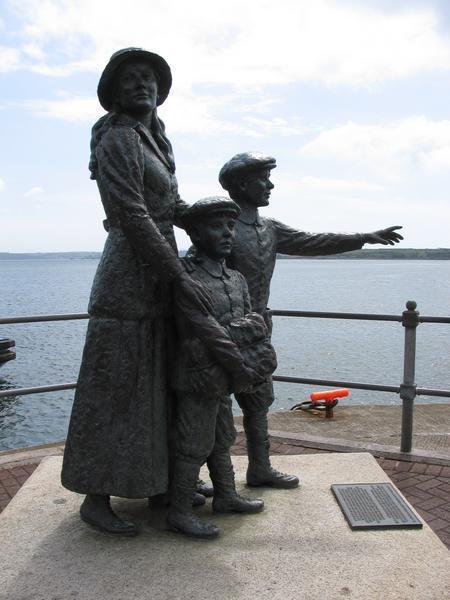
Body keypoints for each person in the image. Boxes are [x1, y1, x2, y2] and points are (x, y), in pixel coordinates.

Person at [61, 48, 217, 536]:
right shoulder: (119, 137)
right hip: (129, 278)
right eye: (130, 78)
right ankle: (95, 496)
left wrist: (219, 217)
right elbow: (132, 214)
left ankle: (158, 482)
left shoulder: (156, 142)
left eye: (148, 77)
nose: (141, 84)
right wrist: (179, 274)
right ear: (114, 91)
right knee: (117, 386)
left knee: (155, 386)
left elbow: (169, 208)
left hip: (158, 273)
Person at [217, 152, 403, 489]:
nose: (270, 184)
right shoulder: (222, 226)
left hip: (257, 330)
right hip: (219, 331)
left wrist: (363, 237)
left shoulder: (268, 228)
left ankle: (260, 468)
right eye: (263, 177)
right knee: (212, 407)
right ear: (242, 184)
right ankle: (207, 479)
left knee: (259, 402)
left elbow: (312, 241)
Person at [167, 197, 277, 539]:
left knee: (223, 437)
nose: (228, 233)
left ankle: (226, 495)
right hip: (199, 377)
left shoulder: (236, 278)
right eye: (217, 226)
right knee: (193, 443)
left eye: (230, 226)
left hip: (224, 375)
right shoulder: (186, 277)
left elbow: (253, 323)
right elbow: (204, 330)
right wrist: (238, 344)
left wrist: (234, 333)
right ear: (196, 234)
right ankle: (180, 511)